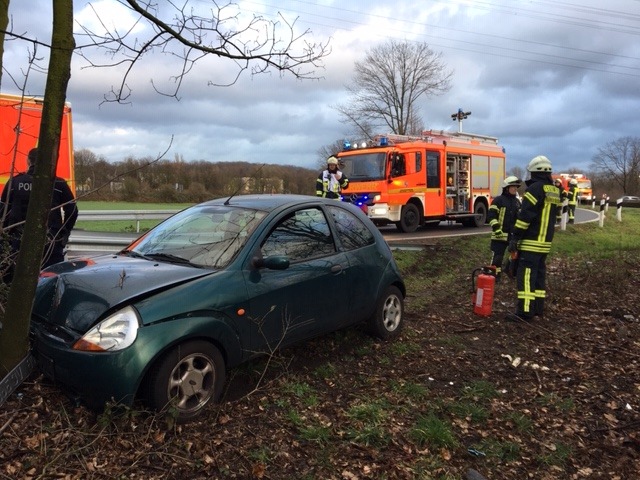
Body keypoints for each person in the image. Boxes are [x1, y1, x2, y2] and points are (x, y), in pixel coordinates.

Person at [1, 147, 78, 273]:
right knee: (50, 282)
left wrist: (5, 239)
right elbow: (72, 211)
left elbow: (3, 212)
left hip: (18, 242)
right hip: (50, 243)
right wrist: (63, 234)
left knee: (15, 282)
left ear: (28, 161)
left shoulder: (14, 183)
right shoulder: (58, 184)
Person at [506, 155, 561, 322]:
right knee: (538, 276)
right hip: (545, 242)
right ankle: (537, 309)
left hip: (531, 241)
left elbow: (526, 216)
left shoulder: (535, 189)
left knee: (526, 276)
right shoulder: (553, 190)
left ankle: (525, 312)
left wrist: (516, 236)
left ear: (535, 172)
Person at [487, 175, 521, 281]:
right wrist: (497, 228)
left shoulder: (517, 202)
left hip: (512, 235)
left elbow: (519, 218)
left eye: (516, 187)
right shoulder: (498, 200)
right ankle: (495, 277)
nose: (515, 189)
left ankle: (509, 270)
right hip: (499, 235)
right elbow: (491, 216)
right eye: (513, 187)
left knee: (515, 256)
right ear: (506, 188)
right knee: (497, 258)